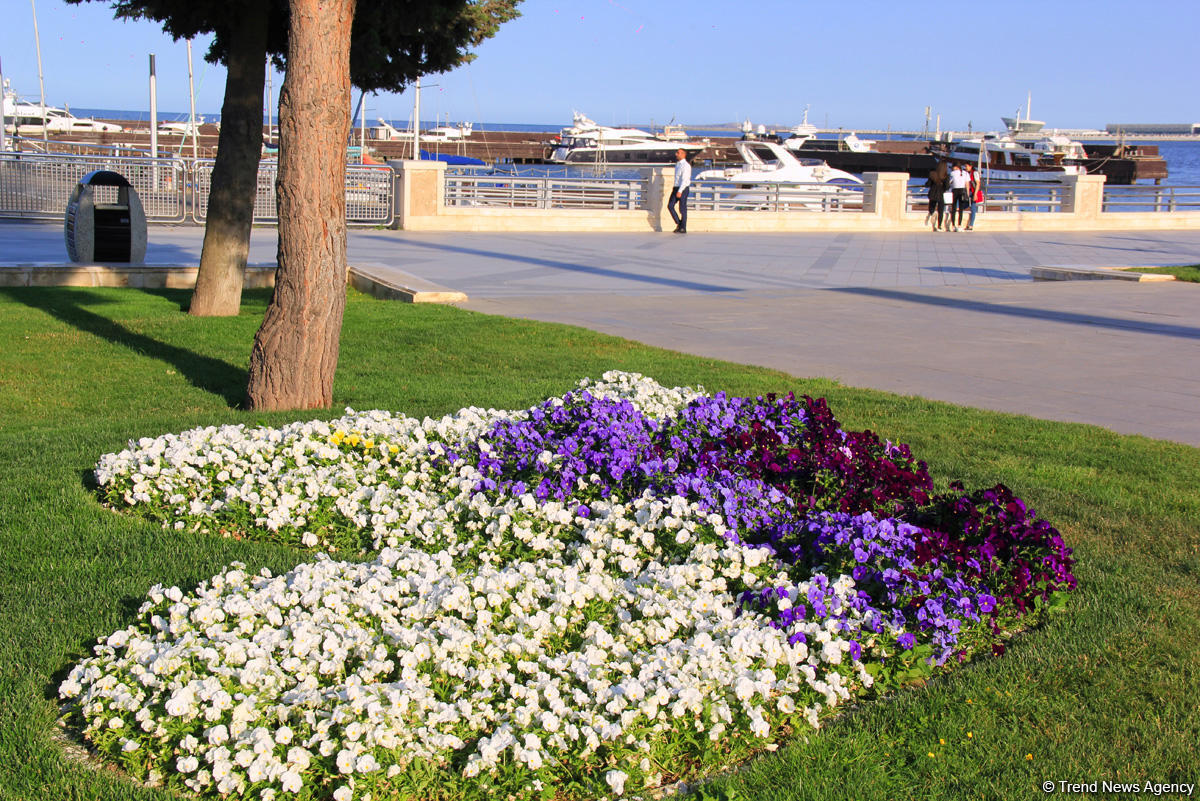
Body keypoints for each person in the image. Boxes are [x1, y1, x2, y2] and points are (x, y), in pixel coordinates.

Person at [668, 148, 691, 233]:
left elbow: (685, 180)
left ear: (683, 154)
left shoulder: (686, 166)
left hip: (683, 188)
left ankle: (683, 227)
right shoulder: (678, 164)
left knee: (682, 208)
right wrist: (676, 189)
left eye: (678, 153)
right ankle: (679, 223)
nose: (676, 154)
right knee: (670, 206)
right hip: (676, 187)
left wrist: (680, 191)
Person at [924, 163, 948, 231]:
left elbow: (928, 184)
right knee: (941, 210)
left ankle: (932, 212)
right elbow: (947, 186)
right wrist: (943, 189)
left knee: (931, 206)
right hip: (940, 193)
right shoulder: (945, 176)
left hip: (933, 192)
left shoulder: (932, 174)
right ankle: (939, 226)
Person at [949, 162, 969, 231]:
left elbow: (950, 182)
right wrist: (968, 194)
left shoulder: (952, 173)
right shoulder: (966, 173)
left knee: (953, 208)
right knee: (961, 208)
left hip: (954, 190)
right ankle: (959, 224)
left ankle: (953, 225)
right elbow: (967, 184)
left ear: (956, 167)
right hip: (962, 191)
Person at [965, 164, 982, 230]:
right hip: (970, 192)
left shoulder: (974, 173)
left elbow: (978, 183)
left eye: (966, 166)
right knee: (969, 206)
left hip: (974, 192)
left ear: (970, 166)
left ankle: (971, 225)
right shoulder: (969, 173)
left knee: (973, 208)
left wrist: (975, 194)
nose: (965, 167)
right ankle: (970, 225)